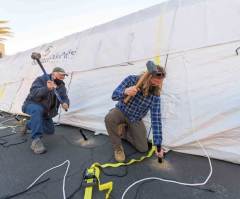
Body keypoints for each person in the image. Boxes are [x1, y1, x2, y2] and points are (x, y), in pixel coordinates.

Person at [105, 61, 165, 162]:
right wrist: (125, 91)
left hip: (135, 118)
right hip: (121, 110)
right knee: (109, 118)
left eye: (161, 81)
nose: (159, 84)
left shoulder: (155, 95)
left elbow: (156, 120)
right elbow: (114, 95)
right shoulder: (131, 79)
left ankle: (124, 131)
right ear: (149, 76)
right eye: (157, 80)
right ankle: (118, 148)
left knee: (143, 148)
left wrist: (158, 145)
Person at [21, 67, 70, 154]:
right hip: (32, 104)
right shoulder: (41, 79)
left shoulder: (61, 86)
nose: (63, 77)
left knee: (50, 131)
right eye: (61, 75)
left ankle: (29, 124)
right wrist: (46, 88)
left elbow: (64, 97)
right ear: (54, 74)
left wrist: (66, 103)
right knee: (37, 110)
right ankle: (36, 140)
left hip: (46, 111)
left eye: (64, 76)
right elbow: (33, 93)